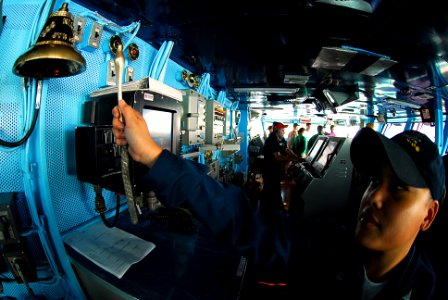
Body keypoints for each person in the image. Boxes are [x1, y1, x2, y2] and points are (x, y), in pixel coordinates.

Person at [112, 100, 445, 299]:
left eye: (399, 188)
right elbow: (245, 221)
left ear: (429, 216)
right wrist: (154, 157)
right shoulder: (329, 245)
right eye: (374, 181)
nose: (375, 198)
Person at [260, 122, 297, 215]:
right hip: (269, 170)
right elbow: (276, 157)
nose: (284, 132)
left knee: (274, 188)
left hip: (276, 170)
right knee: (272, 189)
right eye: (282, 130)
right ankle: (273, 209)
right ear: (276, 130)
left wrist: (295, 156)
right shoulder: (271, 140)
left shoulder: (281, 139)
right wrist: (290, 158)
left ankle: (270, 208)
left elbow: (286, 149)